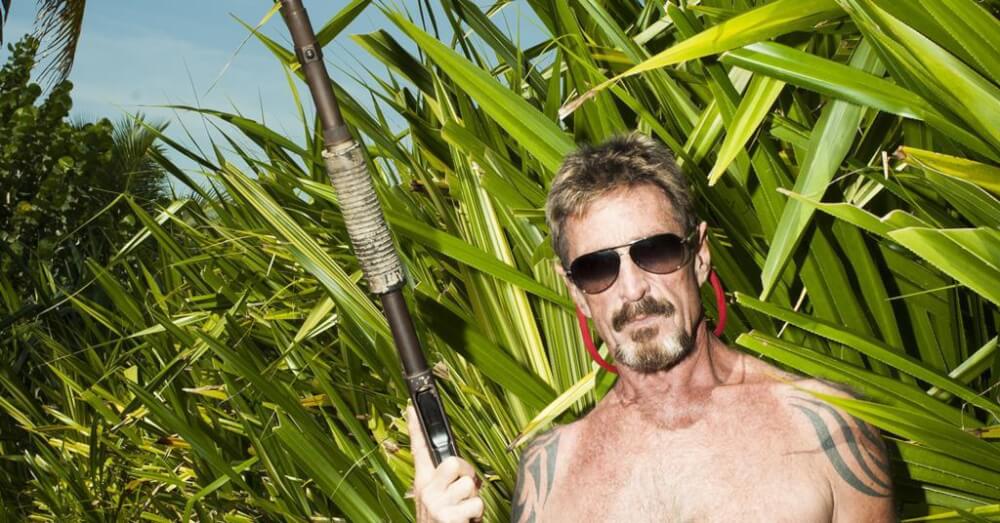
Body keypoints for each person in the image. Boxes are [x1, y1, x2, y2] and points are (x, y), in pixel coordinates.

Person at [408, 134, 894, 522]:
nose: (633, 289)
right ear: (576, 291)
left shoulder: (826, 427)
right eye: (597, 268)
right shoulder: (549, 470)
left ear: (698, 255)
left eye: (655, 252)